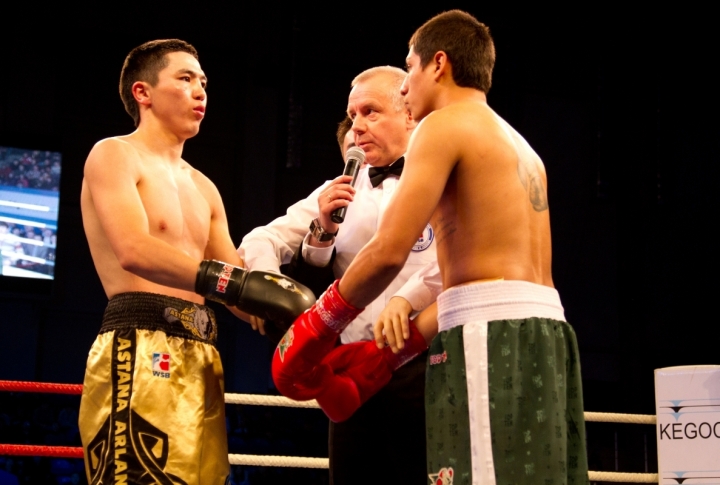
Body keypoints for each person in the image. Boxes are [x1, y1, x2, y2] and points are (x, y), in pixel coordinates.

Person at [274, 10, 590, 485]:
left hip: (490, 335)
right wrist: (384, 359)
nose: (405, 87)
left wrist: (317, 325)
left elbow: (387, 253)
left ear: (438, 64)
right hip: (543, 332)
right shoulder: (521, 145)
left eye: (410, 68)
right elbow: (472, 280)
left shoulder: (441, 127)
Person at [79, 39, 314, 485]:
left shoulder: (204, 187)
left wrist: (299, 321)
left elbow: (238, 291)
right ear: (142, 93)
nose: (200, 91)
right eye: (185, 79)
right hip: (139, 344)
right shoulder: (114, 154)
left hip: (204, 355)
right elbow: (133, 248)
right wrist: (235, 285)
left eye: (203, 82)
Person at [241, 66, 441, 485]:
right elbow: (261, 239)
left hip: (427, 366)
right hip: (352, 373)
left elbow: (460, 261)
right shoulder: (339, 188)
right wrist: (266, 285)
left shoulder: (440, 180)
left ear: (408, 114)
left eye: (370, 112)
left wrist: (409, 297)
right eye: (353, 117)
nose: (358, 126)